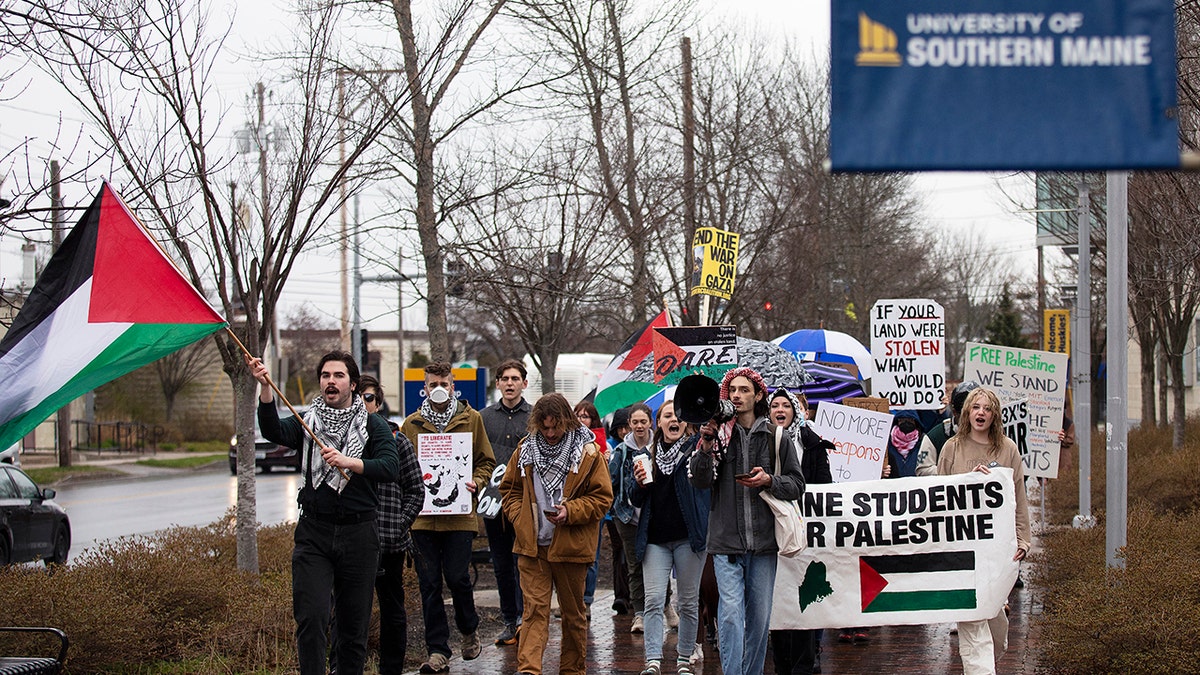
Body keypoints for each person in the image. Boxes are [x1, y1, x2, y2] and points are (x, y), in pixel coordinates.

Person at [246, 351, 399, 675]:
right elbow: (272, 429)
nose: (331, 381)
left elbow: (389, 467)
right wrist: (265, 387)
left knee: (352, 627)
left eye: (339, 375)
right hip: (314, 533)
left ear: (353, 384)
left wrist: (350, 462)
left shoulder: (373, 425)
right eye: (326, 375)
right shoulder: (306, 421)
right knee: (312, 617)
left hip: (359, 534)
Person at [688, 367, 805, 675]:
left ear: (758, 395)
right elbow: (700, 482)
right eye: (733, 390)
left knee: (758, 620)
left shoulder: (777, 437)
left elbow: (797, 484)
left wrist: (769, 480)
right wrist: (705, 444)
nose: (737, 395)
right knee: (729, 616)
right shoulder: (718, 435)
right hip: (726, 544)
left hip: (764, 545)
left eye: (744, 390)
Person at [499, 392, 613, 675]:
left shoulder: (587, 453)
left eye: (556, 427)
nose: (550, 433)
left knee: (573, 616)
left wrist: (570, 511)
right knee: (534, 612)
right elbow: (509, 490)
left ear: (568, 422)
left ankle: (573, 670)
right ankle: (529, 670)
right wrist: (520, 518)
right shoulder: (525, 450)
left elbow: (602, 499)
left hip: (571, 547)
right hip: (532, 546)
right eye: (545, 427)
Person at [401, 362, 496, 674]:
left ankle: (469, 630)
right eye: (432, 383)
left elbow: (486, 461)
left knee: (457, 578)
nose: (438, 387)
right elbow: (402, 469)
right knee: (429, 584)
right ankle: (438, 650)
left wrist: (476, 482)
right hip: (423, 519)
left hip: (459, 517)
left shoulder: (472, 419)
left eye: (444, 382)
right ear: (425, 388)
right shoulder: (411, 424)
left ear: (453, 386)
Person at [329, 375, 424, 675]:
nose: (364, 404)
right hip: (350, 542)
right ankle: (339, 667)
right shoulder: (340, 443)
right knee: (343, 610)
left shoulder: (396, 441)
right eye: (359, 399)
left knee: (392, 610)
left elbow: (416, 489)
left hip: (388, 543)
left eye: (369, 398)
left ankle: (391, 669)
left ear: (379, 403)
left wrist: (399, 525)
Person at [937, 387, 1031, 675]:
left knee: (994, 629)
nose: (981, 413)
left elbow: (1019, 496)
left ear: (995, 415)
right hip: (962, 549)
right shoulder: (952, 448)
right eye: (975, 407)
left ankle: (987, 660)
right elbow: (937, 495)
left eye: (987, 408)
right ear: (966, 412)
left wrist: (1024, 539)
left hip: (996, 550)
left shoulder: (1008, 449)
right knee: (972, 621)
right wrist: (968, 481)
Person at [630, 400, 709, 675]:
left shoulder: (696, 452)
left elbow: (705, 480)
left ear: (685, 423)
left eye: (678, 415)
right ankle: (652, 659)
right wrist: (638, 483)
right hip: (655, 540)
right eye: (667, 416)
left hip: (689, 538)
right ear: (658, 423)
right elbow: (634, 497)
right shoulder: (645, 455)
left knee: (688, 602)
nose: (673, 420)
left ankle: (684, 659)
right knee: (653, 600)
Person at [767, 388, 832, 675]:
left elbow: (825, 487)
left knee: (804, 595)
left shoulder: (812, 444)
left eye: (785, 405)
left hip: (807, 531)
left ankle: (805, 662)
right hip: (773, 532)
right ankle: (782, 662)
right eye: (774, 405)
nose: (780, 409)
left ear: (795, 411)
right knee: (779, 598)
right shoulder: (763, 441)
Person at [479, 359, 531, 647]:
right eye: (504, 378)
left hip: (525, 505)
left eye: (515, 378)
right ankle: (509, 620)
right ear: (497, 383)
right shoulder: (483, 418)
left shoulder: (535, 417)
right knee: (500, 564)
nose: (509, 383)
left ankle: (527, 618)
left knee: (523, 562)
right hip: (493, 505)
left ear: (524, 383)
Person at [609, 402, 654, 633]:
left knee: (658, 564)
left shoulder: (660, 448)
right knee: (635, 565)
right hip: (627, 517)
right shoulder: (620, 452)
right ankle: (639, 613)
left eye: (642, 421)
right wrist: (616, 509)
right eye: (634, 422)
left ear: (650, 422)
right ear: (628, 425)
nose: (639, 426)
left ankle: (664, 606)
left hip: (655, 516)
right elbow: (611, 483)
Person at [574, 399, 608, 617]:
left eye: (585, 416)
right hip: (572, 504)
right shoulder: (566, 439)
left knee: (591, 555)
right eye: (577, 415)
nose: (581, 420)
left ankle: (586, 599)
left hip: (593, 505)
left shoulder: (601, 443)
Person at [916, 380, 980, 476]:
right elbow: (922, 470)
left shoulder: (994, 436)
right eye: (965, 413)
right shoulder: (935, 437)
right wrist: (955, 472)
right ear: (954, 411)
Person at [885, 410, 927, 479]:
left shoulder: (924, 442)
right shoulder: (886, 443)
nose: (906, 422)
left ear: (916, 422)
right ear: (897, 421)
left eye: (910, 420)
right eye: (902, 420)